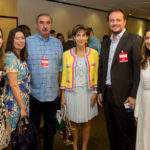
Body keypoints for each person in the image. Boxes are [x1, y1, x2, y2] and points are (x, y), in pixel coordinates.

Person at [97, 9, 141, 150]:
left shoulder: (134, 40)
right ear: (108, 23)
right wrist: (99, 91)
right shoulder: (105, 42)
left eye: (118, 20)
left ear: (124, 22)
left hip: (125, 96)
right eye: (112, 20)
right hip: (107, 94)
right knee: (112, 132)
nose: (115, 23)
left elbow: (138, 71)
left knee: (127, 133)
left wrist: (134, 95)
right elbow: (102, 69)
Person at [26, 13, 63, 150]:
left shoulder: (58, 43)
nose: (45, 26)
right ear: (36, 24)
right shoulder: (28, 42)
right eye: (42, 22)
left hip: (52, 93)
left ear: (51, 25)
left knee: (50, 128)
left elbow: (60, 67)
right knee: (33, 127)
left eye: (48, 23)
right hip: (33, 93)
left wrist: (60, 90)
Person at [61, 24, 99, 150]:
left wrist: (95, 92)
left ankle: (84, 147)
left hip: (88, 92)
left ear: (87, 37)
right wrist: (62, 96)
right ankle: (75, 146)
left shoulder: (94, 53)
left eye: (84, 35)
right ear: (74, 37)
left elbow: (97, 73)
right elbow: (64, 75)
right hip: (71, 92)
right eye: (78, 35)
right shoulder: (66, 54)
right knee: (73, 122)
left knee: (87, 122)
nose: (81, 38)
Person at [3, 28, 30, 131]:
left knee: (21, 134)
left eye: (22, 38)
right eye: (17, 38)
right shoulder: (10, 58)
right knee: (14, 135)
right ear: (11, 40)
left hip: (22, 101)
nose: (20, 41)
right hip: (14, 103)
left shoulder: (19, 56)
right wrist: (22, 107)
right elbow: (13, 85)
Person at [134, 28, 150, 150]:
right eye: (147, 38)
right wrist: (137, 109)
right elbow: (141, 85)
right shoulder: (144, 60)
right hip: (145, 102)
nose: (149, 41)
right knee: (144, 136)